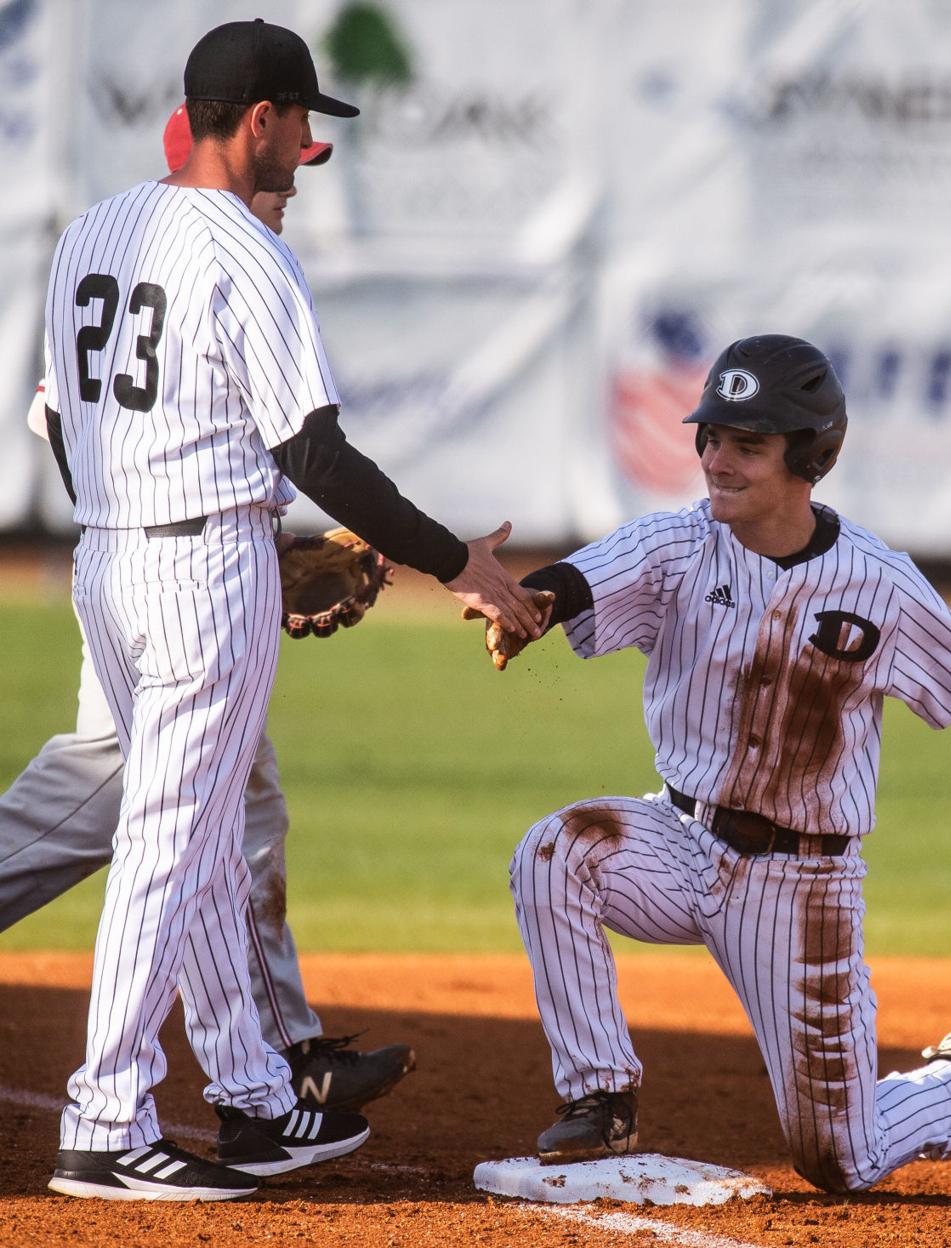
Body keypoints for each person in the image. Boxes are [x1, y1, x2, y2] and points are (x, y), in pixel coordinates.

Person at [41, 19, 541, 1202]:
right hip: (203, 573)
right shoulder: (247, 252)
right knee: (168, 849)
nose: (311, 144)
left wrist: (139, 508)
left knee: (203, 842)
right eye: (304, 119)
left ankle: (258, 1103)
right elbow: (315, 449)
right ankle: (103, 1122)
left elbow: (64, 422)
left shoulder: (86, 234)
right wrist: (452, 560)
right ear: (256, 118)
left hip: (106, 561)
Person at [486, 334, 951, 1194]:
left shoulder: (878, 583)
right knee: (557, 852)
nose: (716, 460)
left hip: (803, 888)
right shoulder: (678, 544)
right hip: (679, 837)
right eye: (710, 437)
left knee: (838, 1159)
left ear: (810, 456)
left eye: (747, 445)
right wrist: (527, 606)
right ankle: (602, 1097)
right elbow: (579, 583)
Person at [2, 104, 413, 1120]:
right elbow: (64, 417)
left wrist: (239, 549)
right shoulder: (211, 255)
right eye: (288, 164)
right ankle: (251, 1069)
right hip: (164, 575)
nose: (294, 183)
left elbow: (62, 414)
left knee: (185, 799)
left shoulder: (141, 243)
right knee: (162, 809)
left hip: (145, 564)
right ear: (237, 143)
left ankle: (272, 1059)